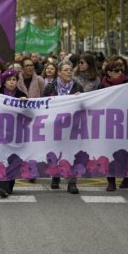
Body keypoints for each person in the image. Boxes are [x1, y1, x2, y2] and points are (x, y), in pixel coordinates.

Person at [42, 60, 83, 193]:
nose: (69, 72)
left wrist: (80, 99)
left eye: (70, 70)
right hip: (55, 126)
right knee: (56, 151)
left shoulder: (77, 87)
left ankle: (72, 182)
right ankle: (56, 175)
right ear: (59, 72)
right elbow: (44, 106)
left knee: (72, 153)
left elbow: (84, 107)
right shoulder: (50, 87)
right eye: (65, 70)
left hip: (73, 126)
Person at [99, 61, 128, 191]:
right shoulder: (101, 85)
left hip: (125, 122)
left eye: (121, 70)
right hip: (107, 123)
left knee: (125, 152)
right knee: (109, 151)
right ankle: (111, 180)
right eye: (116, 71)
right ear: (109, 73)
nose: (120, 73)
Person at [0, 68, 28, 198]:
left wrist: (26, 104)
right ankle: (2, 186)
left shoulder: (21, 94)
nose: (11, 82)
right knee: (2, 159)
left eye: (14, 80)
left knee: (13, 159)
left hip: (16, 133)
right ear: (3, 82)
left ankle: (10, 184)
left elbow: (29, 114)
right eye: (9, 80)